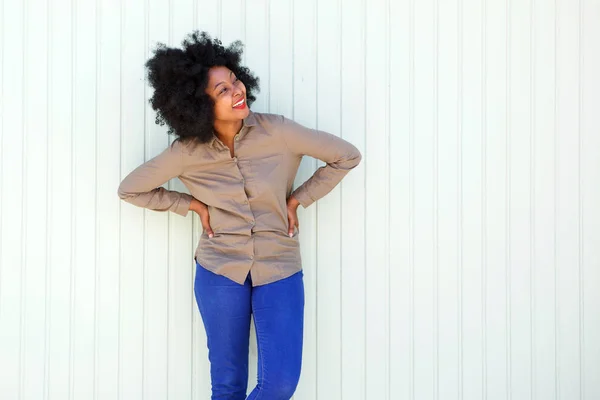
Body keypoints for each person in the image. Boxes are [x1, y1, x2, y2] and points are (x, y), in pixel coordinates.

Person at [117, 31, 361, 400]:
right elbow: (130, 188)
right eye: (222, 90)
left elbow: (346, 155)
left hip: (279, 265)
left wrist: (297, 200)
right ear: (197, 105)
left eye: (234, 80)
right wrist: (190, 205)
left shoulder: (277, 130)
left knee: (279, 383)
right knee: (227, 386)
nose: (237, 90)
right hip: (219, 270)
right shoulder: (186, 152)